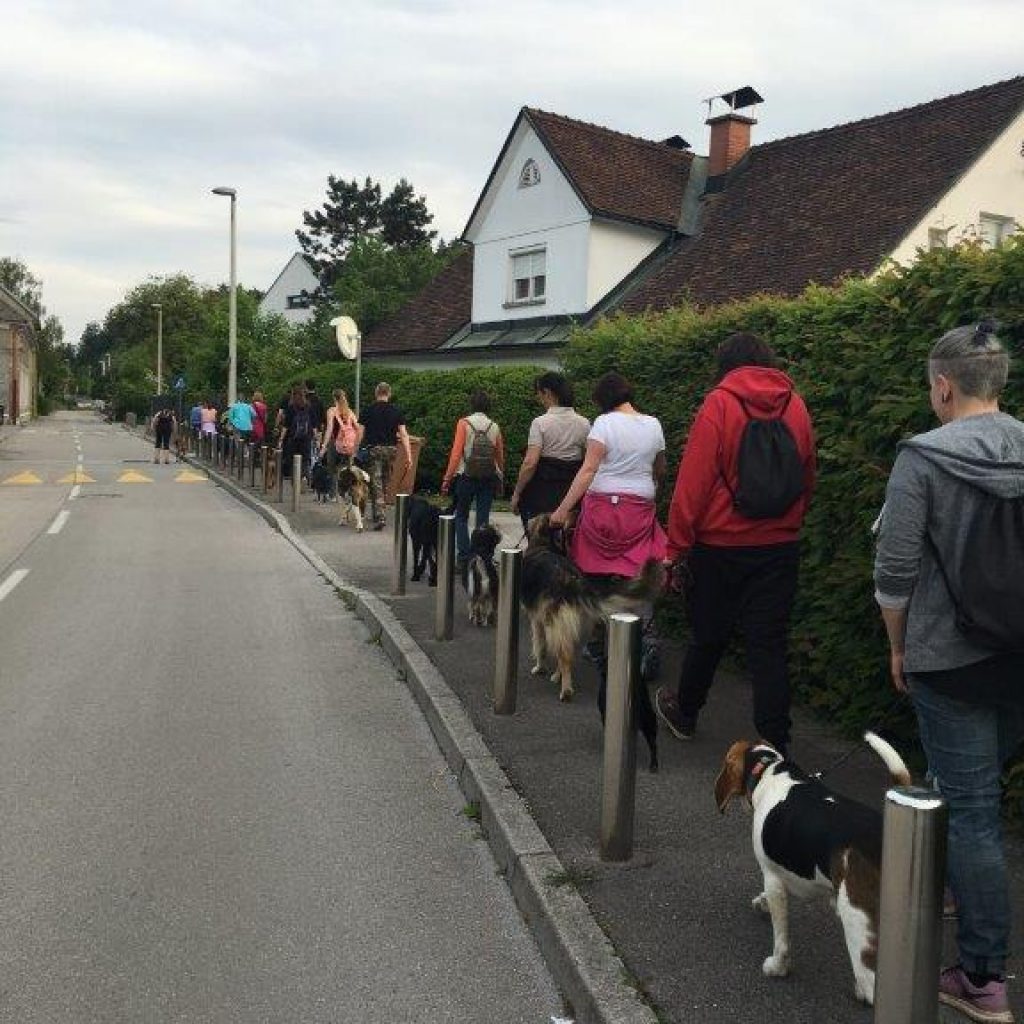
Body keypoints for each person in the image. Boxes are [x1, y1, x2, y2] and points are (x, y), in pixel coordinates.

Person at [874, 320, 1024, 1024]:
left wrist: (900, 648)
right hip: (1018, 653)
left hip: (950, 655)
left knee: (972, 814)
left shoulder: (924, 457)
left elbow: (894, 573)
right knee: (975, 797)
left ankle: (983, 976)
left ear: (943, 386)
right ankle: (958, 887)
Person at [655, 332, 816, 754]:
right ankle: (775, 743)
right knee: (769, 645)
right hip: (779, 546)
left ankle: (685, 712)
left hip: (720, 545)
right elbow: (807, 472)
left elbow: (693, 483)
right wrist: (790, 523)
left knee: (708, 635)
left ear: (724, 365)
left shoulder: (719, 404)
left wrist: (676, 549)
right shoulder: (795, 405)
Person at [550, 371, 667, 572]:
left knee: (593, 569)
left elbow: (588, 470)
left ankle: (598, 600)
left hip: (603, 507)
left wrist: (562, 510)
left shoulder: (604, 423)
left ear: (603, 399)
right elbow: (661, 469)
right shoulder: (654, 424)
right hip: (640, 507)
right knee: (637, 572)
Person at [510, 372, 590, 534]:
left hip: (541, 491)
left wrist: (517, 492)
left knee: (539, 541)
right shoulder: (584, 423)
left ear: (547, 392)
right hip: (570, 492)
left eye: (539, 394)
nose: (539, 399)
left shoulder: (540, 423)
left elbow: (530, 463)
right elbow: (587, 460)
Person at [441, 390, 506, 570]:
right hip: (487, 477)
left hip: (466, 476)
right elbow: (499, 456)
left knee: (461, 517)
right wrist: (501, 476)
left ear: (472, 405)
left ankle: (463, 557)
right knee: (482, 520)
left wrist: (447, 478)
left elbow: (455, 455)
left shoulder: (464, 423)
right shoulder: (494, 426)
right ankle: (480, 557)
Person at [360, 382, 412, 531]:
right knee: (385, 481)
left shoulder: (368, 410)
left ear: (376, 393)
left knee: (375, 482)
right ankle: (378, 513)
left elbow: (360, 432)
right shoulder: (396, 411)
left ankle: (380, 515)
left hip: (374, 450)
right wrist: (409, 455)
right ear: (389, 393)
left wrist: (355, 449)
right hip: (391, 451)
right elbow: (404, 434)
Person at [320, 388, 363, 478]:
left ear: (334, 398)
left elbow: (329, 429)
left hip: (335, 444)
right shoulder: (350, 411)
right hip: (350, 445)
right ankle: (347, 489)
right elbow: (358, 427)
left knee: (332, 470)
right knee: (348, 470)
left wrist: (324, 446)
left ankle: (335, 490)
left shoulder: (331, 411)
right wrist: (357, 444)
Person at [277, 384, 314, 481]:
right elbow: (314, 424)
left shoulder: (291, 408)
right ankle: (305, 477)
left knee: (293, 460)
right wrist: (317, 439)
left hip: (293, 438)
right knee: (305, 460)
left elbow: (286, 425)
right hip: (306, 438)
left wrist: (281, 439)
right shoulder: (309, 406)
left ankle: (295, 481)